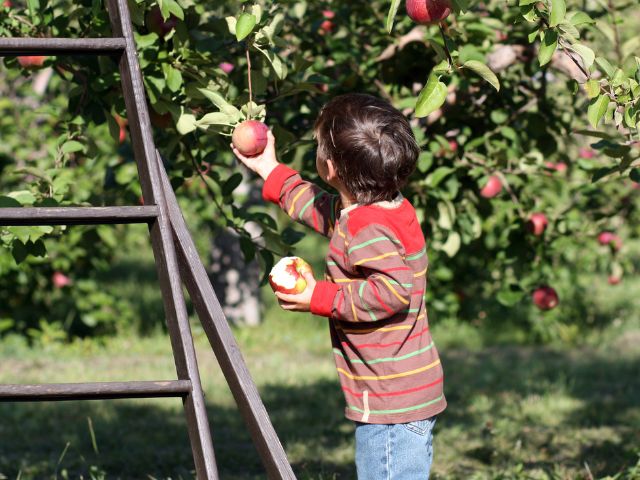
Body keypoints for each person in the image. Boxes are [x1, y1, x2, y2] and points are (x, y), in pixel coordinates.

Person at [232, 93, 446, 479]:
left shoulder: (368, 228)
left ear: (329, 166)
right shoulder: (380, 210)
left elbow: (392, 292)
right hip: (400, 394)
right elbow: (320, 208)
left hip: (391, 404)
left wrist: (319, 296)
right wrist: (271, 169)